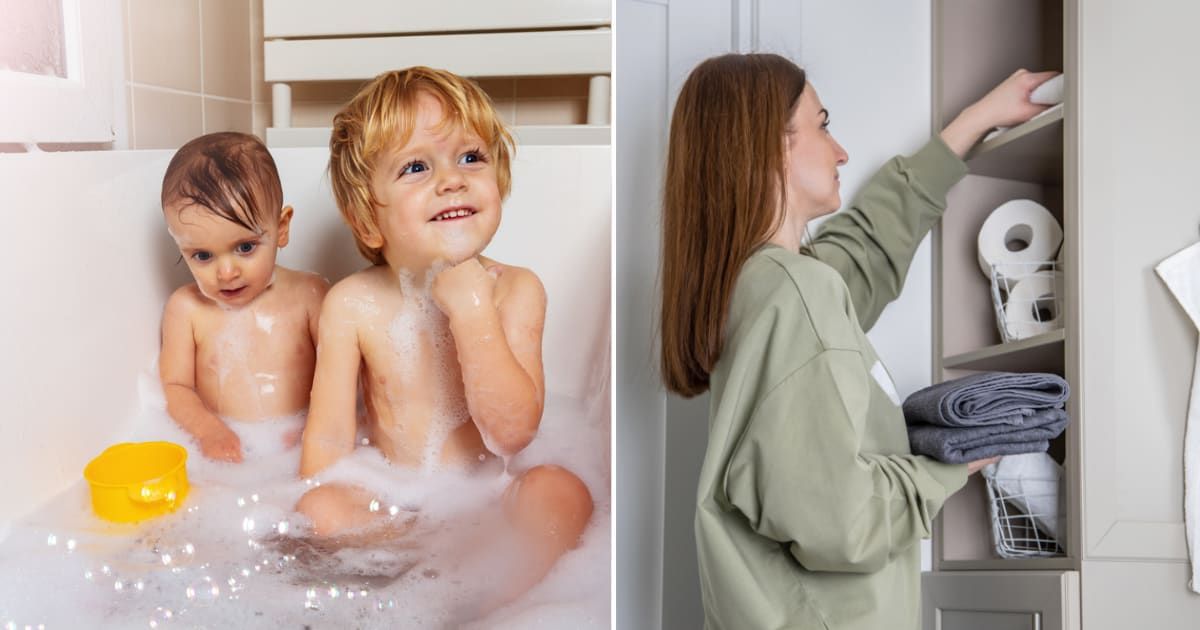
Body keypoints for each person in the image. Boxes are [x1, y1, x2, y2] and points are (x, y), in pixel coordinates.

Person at [658, 53, 1057, 629]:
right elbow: (842, 524)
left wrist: (975, 121)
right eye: (822, 125)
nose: (841, 149)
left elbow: (865, 250)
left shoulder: (757, 285)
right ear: (773, 145)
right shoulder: (797, 291)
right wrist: (952, 463)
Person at [294, 67, 593, 606]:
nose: (452, 178)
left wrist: (472, 306)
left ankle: (487, 603)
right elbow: (329, 441)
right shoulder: (352, 304)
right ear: (367, 221)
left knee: (562, 493)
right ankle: (424, 587)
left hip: (492, 501)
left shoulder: (516, 289)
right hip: (394, 511)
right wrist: (320, 497)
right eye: (416, 166)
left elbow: (513, 435)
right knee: (319, 511)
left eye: (470, 157)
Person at [159, 132, 329, 463]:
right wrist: (208, 430)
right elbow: (176, 387)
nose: (226, 272)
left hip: (304, 447)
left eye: (245, 247)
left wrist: (319, 425)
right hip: (225, 452)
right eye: (203, 256)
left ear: (281, 228)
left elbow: (343, 375)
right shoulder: (186, 310)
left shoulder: (310, 295)